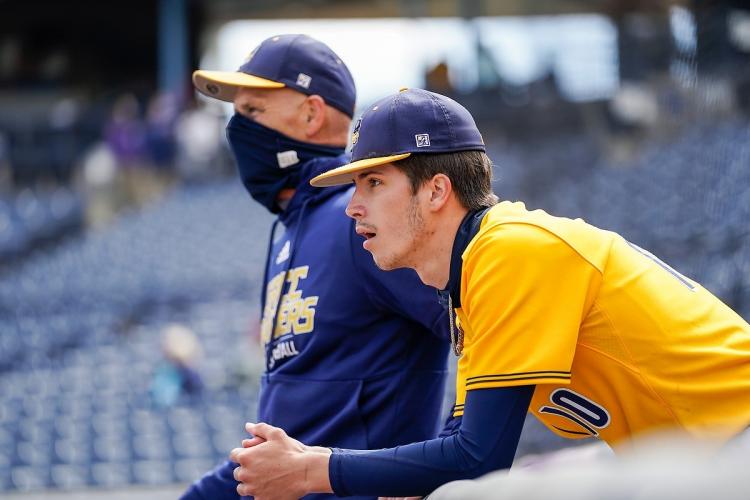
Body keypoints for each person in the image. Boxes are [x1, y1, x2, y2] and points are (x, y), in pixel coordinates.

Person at [228, 88, 750, 499]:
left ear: (435, 190)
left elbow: (479, 456)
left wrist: (311, 470)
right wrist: (395, 476)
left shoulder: (509, 250)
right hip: (707, 455)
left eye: (374, 184)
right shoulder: (470, 274)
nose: (351, 206)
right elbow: (459, 440)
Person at [182, 38, 450, 499]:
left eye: (252, 110)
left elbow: (483, 328)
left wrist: (438, 464)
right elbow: (290, 430)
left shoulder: (362, 220)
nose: (238, 128)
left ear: (311, 113)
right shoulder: (291, 230)